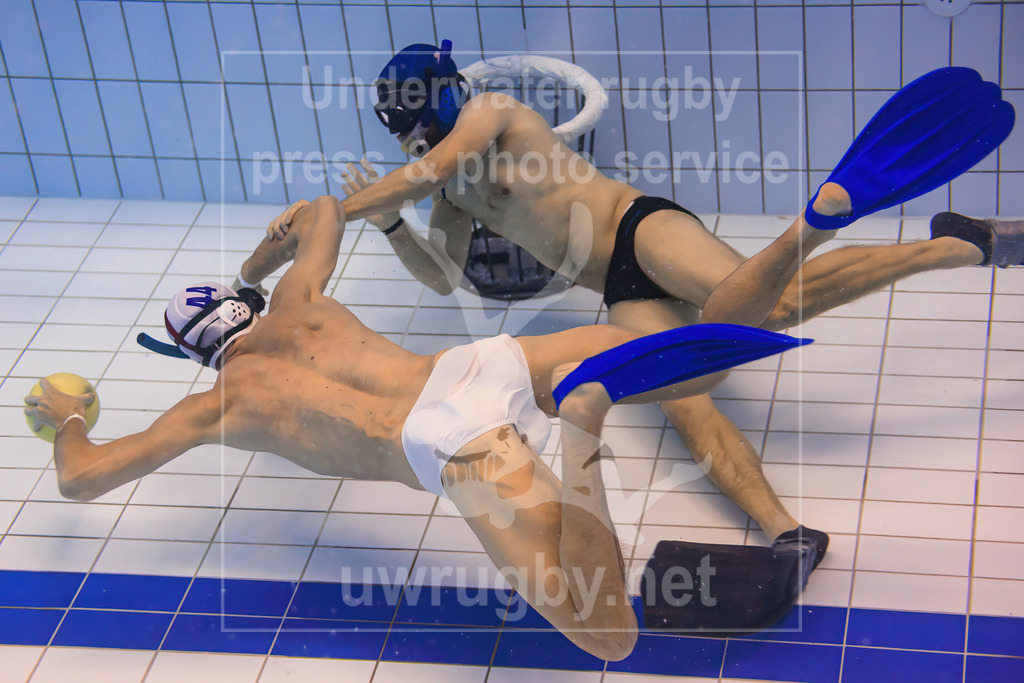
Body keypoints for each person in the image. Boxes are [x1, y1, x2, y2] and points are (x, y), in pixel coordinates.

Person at [26, 182, 857, 659]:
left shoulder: (216, 404)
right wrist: (256, 266)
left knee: (605, 631)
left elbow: (83, 477)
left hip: (453, 440)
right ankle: (805, 228)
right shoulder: (297, 300)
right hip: (478, 364)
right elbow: (321, 208)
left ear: (195, 354)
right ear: (242, 305)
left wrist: (69, 417)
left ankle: (583, 428)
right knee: (702, 353)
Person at [260, 44, 1022, 548]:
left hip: (639, 228)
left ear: (439, 106)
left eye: (416, 129)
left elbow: (433, 166)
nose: (414, 147)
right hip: (614, 287)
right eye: (408, 137)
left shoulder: (490, 112)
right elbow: (446, 277)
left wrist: (329, 213)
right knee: (688, 393)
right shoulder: (450, 196)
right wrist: (391, 224)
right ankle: (787, 533)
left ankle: (907, 240)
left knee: (772, 305)